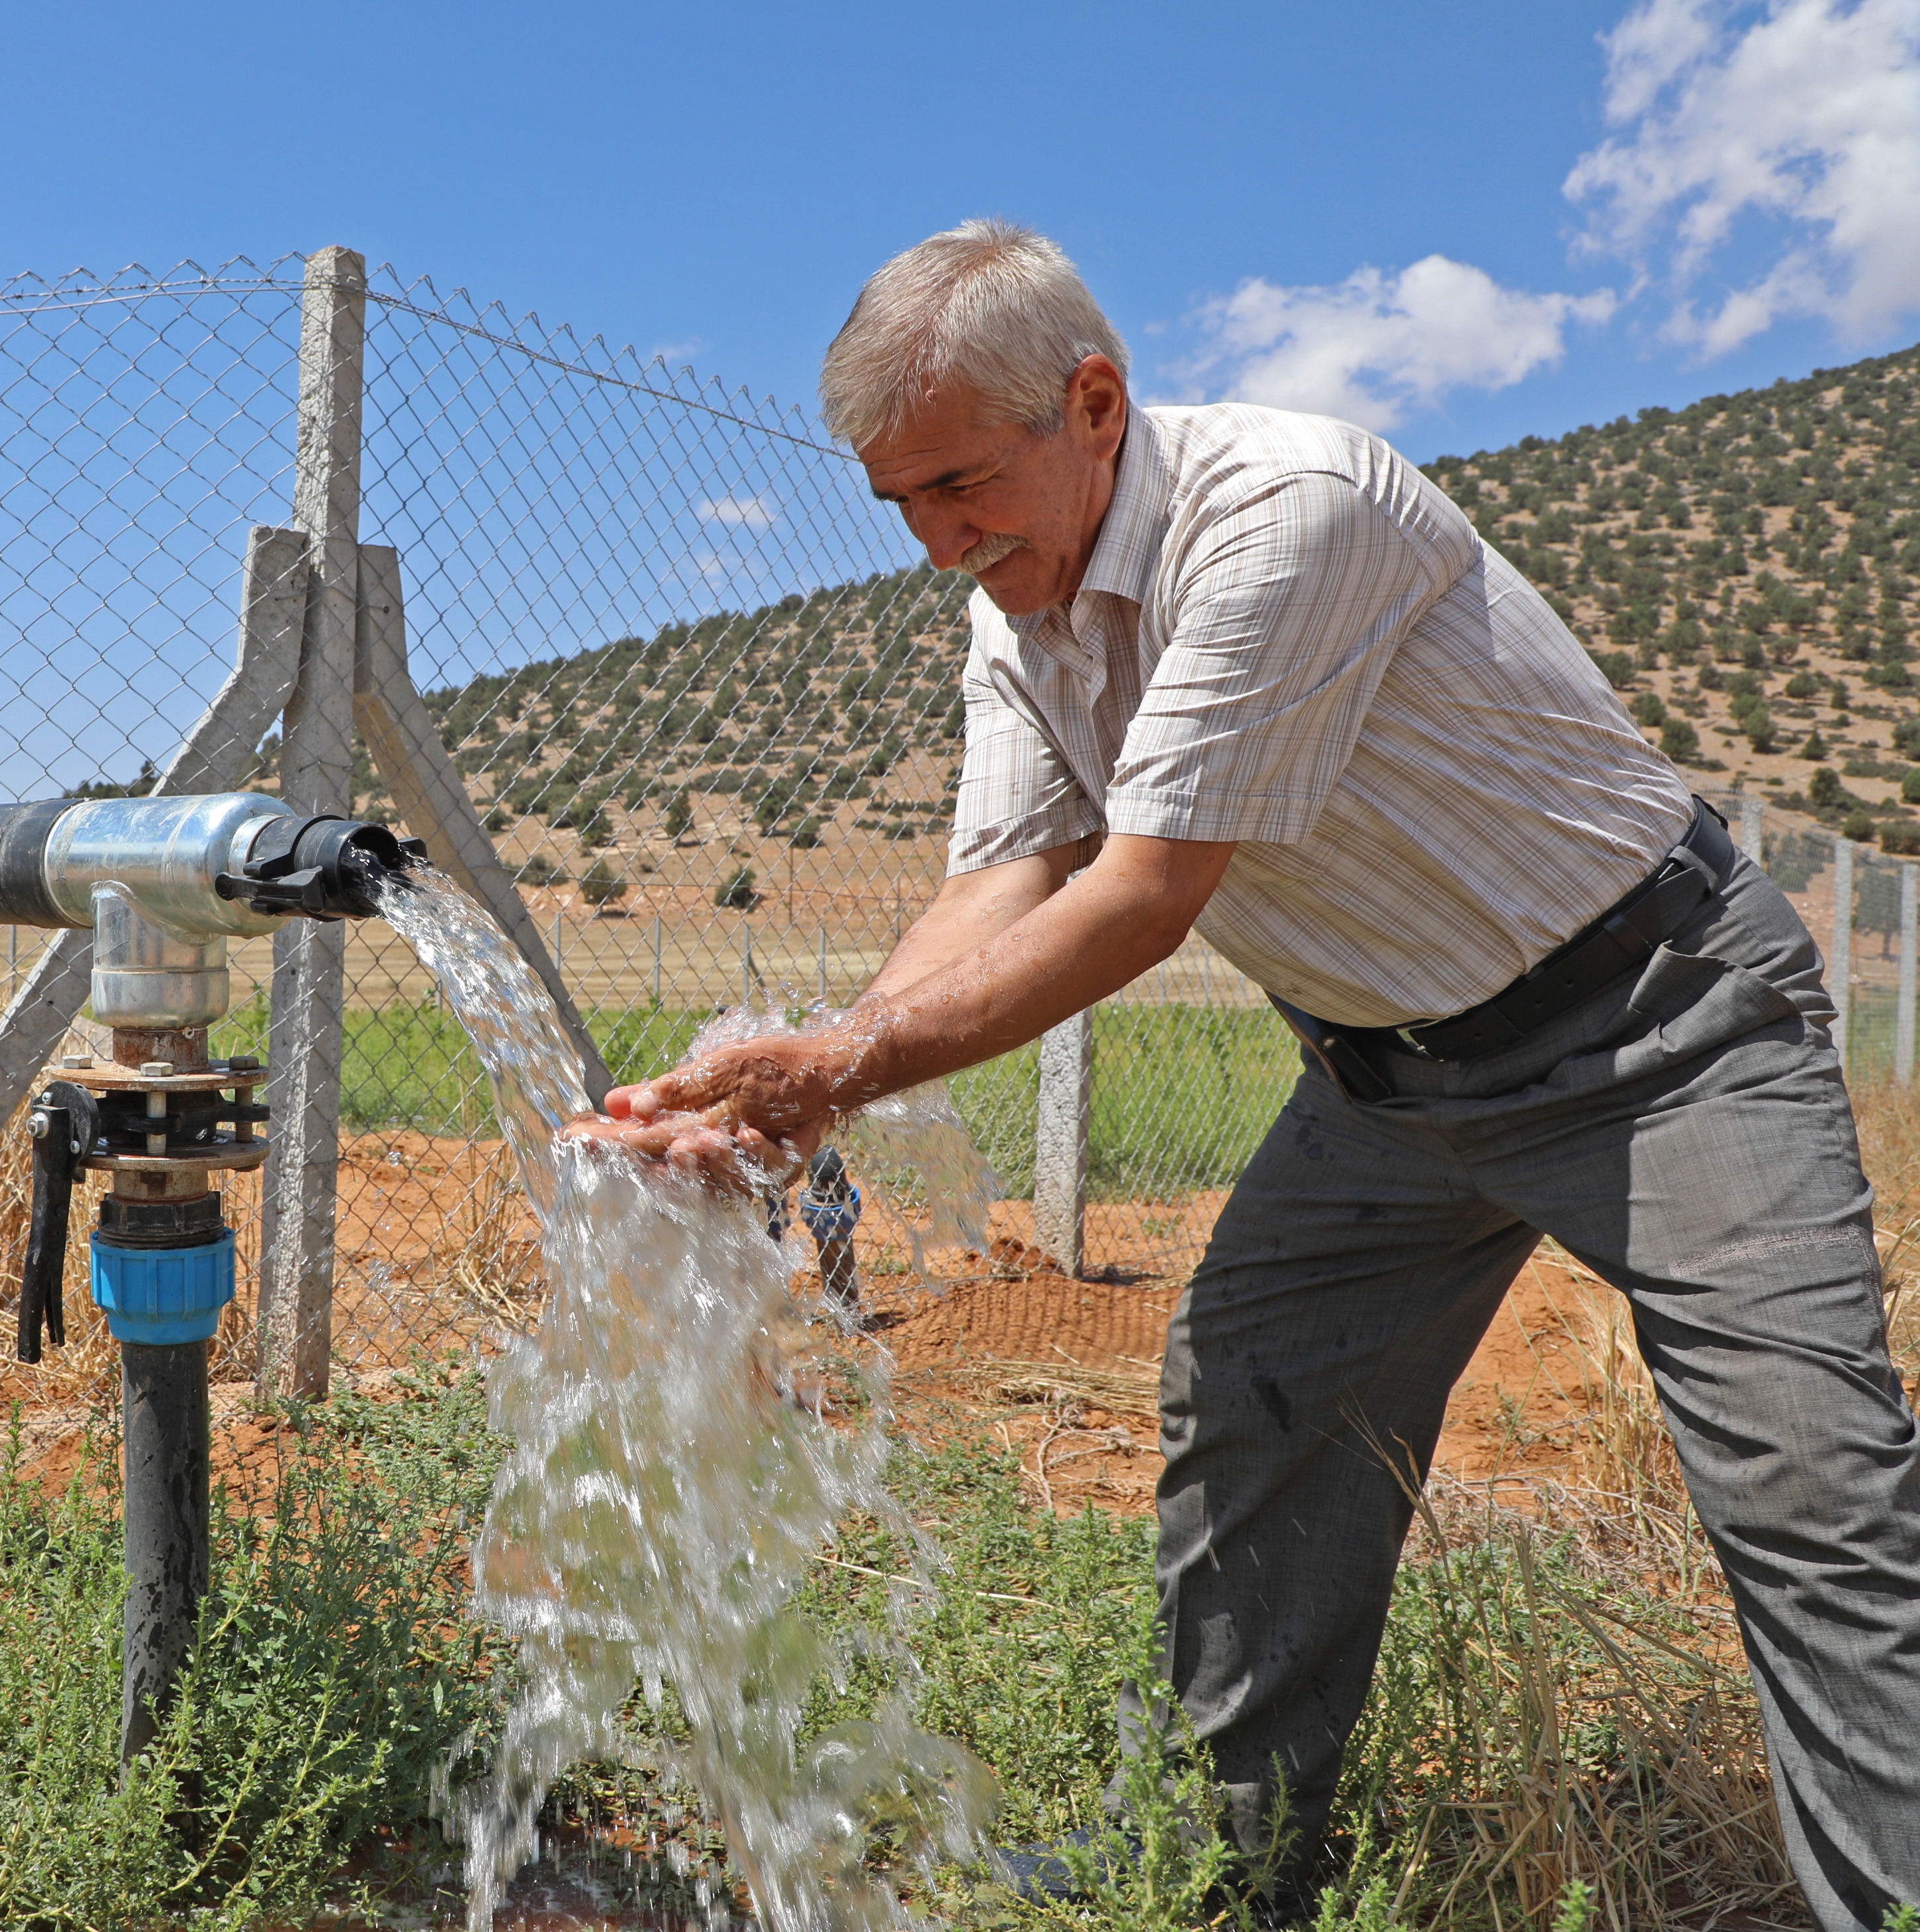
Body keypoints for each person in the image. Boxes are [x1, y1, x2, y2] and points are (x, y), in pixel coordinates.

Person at [573, 220, 1920, 1927]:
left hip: (1660, 1028)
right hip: (1392, 1081)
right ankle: (1224, 1866)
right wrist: (794, 1091)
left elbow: (1144, 892)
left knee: (1809, 1482)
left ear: (1098, 400)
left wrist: (838, 1066)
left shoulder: (1287, 511)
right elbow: (1002, 885)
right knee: (1254, 1399)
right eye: (900, 504)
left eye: (961, 484)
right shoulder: (1021, 611)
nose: (936, 542)